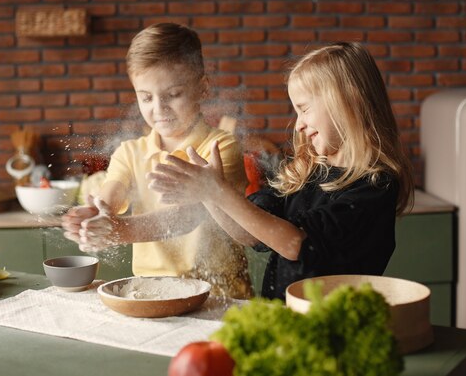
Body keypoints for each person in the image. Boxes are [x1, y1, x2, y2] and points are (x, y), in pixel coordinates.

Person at [147, 42, 414, 301]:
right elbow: (248, 233)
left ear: (348, 101)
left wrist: (217, 190)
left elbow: (295, 245)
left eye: (304, 109)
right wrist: (210, 195)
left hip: (332, 327)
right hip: (285, 317)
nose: (298, 124)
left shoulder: (375, 186)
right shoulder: (308, 172)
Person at [61, 22, 253, 299]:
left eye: (173, 95)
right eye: (146, 97)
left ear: (202, 88)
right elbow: (111, 196)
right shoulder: (129, 152)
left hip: (220, 296)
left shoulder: (220, 147)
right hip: (151, 293)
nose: (158, 109)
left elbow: (189, 215)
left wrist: (119, 231)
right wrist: (95, 215)